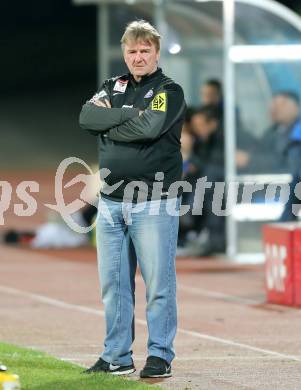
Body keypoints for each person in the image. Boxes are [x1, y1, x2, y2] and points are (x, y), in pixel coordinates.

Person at [79, 20, 186, 378]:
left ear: (156, 52)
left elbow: (151, 127)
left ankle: (160, 355)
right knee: (114, 285)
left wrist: (111, 123)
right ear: (124, 53)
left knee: (158, 284)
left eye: (144, 50)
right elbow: (87, 116)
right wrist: (127, 115)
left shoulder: (169, 91)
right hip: (110, 201)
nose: (138, 57)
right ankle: (117, 356)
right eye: (132, 51)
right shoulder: (113, 85)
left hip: (153, 201)